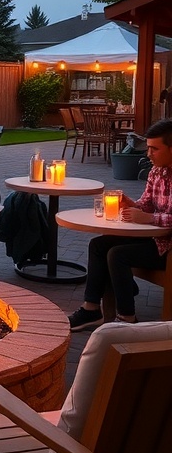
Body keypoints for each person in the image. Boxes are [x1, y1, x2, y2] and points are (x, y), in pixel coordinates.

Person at [69, 117, 172, 331]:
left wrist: (150, 219)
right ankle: (91, 310)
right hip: (152, 237)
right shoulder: (157, 171)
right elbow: (147, 204)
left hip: (168, 247)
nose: (148, 153)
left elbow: (153, 216)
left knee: (117, 254)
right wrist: (132, 204)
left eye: (154, 149)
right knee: (99, 245)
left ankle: (126, 319)